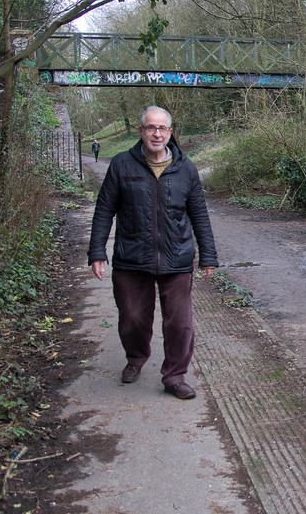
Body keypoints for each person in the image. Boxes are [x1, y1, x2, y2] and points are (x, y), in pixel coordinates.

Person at [87, 106, 218, 399]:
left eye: (162, 128)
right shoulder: (122, 164)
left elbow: (199, 215)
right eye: (150, 128)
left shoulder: (186, 168)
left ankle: (174, 376)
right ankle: (135, 358)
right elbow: (104, 210)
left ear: (170, 133)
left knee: (180, 323)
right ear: (141, 131)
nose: (156, 134)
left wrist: (208, 255)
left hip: (177, 257)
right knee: (132, 317)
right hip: (132, 257)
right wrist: (97, 250)